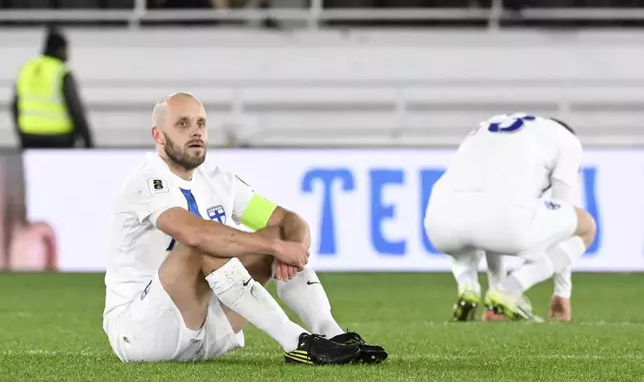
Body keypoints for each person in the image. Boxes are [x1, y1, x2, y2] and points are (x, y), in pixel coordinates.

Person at [102, 92, 387, 364]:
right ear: (158, 135)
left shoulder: (217, 179)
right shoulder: (146, 180)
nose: (196, 131)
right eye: (182, 123)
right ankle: (296, 343)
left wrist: (292, 249)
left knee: (273, 235)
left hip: (206, 331)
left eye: (201, 123)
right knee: (208, 243)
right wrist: (274, 247)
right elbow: (195, 234)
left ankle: (331, 332)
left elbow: (287, 220)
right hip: (141, 333)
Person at [425, 113, 596, 323]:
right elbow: (565, 210)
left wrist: (494, 288)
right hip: (502, 220)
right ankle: (510, 290)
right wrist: (562, 291)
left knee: (476, 218)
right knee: (585, 226)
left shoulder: (490, 124)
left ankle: (467, 285)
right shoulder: (568, 141)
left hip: (439, 219)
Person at [11, 28, 93, 149]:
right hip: (59, 137)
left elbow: (15, 106)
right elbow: (75, 108)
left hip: (29, 135)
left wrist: (20, 132)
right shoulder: (61, 72)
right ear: (60, 49)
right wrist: (87, 139)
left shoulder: (26, 68)